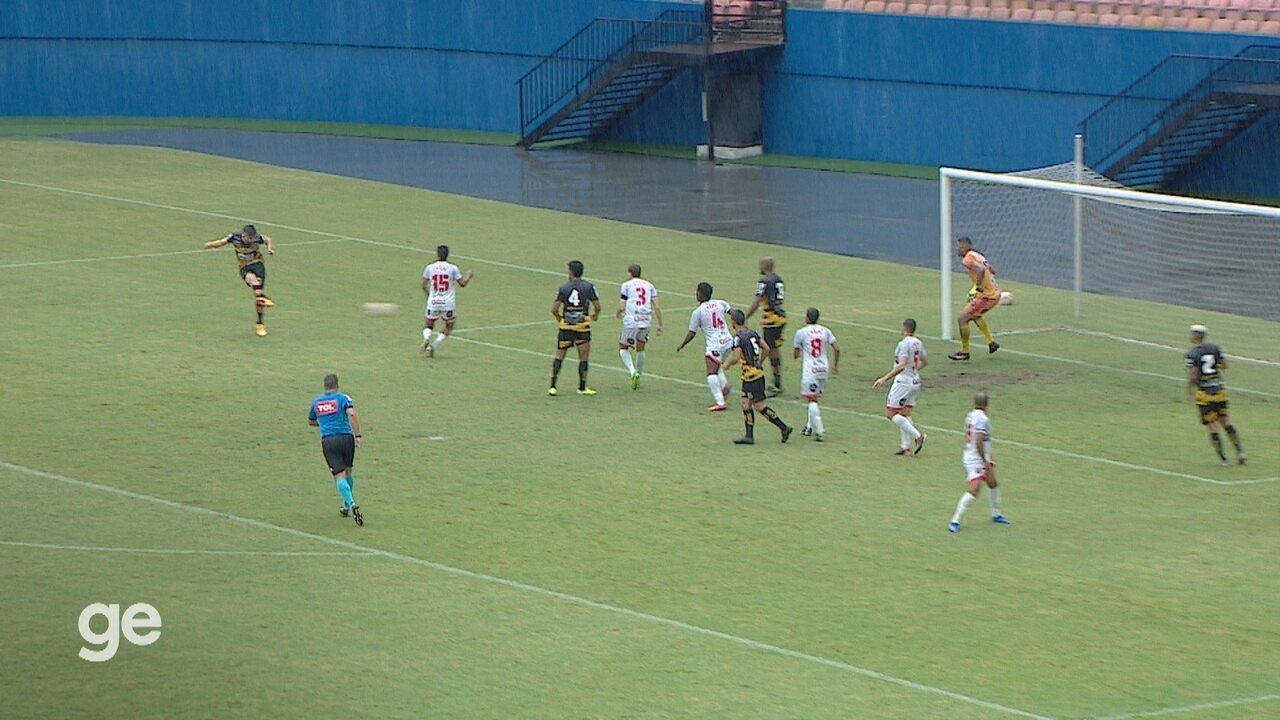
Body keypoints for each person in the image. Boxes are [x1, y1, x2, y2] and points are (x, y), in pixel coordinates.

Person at [724, 310, 793, 444]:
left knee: (759, 406)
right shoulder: (753, 333)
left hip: (751, 377)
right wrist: (759, 362)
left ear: (733, 322)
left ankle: (783, 427)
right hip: (753, 375)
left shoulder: (738, 338)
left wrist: (727, 364)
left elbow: (736, 357)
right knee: (745, 403)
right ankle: (749, 435)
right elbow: (766, 348)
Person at [948, 392, 1012, 533]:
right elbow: (978, 440)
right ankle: (955, 521)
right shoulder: (982, 419)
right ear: (987, 405)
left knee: (993, 483)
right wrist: (984, 461)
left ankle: (996, 514)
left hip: (975, 455)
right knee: (974, 490)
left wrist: (989, 457)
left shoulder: (970, 415)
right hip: (975, 459)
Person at [307, 374, 364, 526]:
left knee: (339, 476)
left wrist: (325, 424)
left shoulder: (317, 402)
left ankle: (352, 504)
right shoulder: (343, 398)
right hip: (346, 438)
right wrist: (358, 435)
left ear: (324, 386)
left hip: (329, 440)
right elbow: (351, 413)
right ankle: (346, 506)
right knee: (348, 472)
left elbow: (311, 421)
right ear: (337, 385)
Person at [1185, 324, 1246, 467]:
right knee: (1226, 422)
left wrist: (1189, 390)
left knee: (1212, 426)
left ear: (1195, 336)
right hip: (1219, 390)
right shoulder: (1215, 348)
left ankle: (1224, 460)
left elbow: (1193, 376)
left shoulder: (1192, 353)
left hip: (1204, 394)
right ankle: (1240, 452)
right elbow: (1224, 366)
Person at [204, 224, 275, 336]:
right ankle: (263, 298)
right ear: (244, 235)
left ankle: (260, 323)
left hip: (257, 265)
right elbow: (222, 242)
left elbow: (267, 239)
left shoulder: (257, 238)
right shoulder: (234, 237)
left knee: (257, 294)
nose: (251, 240)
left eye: (252, 238)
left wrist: (269, 248)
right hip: (244, 267)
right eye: (249, 238)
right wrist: (211, 245)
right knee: (253, 282)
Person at [873, 318, 928, 455]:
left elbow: (902, 365)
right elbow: (925, 361)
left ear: (904, 328)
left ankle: (918, 436)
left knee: (891, 413)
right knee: (904, 413)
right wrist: (913, 371)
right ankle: (905, 446)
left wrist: (884, 379)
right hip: (915, 381)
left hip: (903, 382)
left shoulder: (904, 344)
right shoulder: (918, 343)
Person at [676, 282, 734, 411]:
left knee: (711, 372)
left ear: (701, 294)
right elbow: (733, 313)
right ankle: (724, 385)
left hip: (715, 345)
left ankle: (720, 402)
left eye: (697, 292)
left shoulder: (698, 312)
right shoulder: (721, 303)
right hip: (728, 342)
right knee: (717, 365)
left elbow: (692, 333)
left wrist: (682, 344)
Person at [549, 260, 600, 396]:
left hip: (566, 327)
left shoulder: (563, 288)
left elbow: (554, 309)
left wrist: (560, 319)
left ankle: (553, 386)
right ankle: (582, 387)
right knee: (583, 357)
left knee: (560, 355)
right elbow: (597, 306)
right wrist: (595, 316)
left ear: (571, 272)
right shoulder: (589, 287)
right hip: (582, 327)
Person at [948, 237, 1001, 361]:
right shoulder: (979, 256)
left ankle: (964, 352)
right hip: (992, 293)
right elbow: (992, 270)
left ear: (966, 246)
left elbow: (981, 269)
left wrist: (977, 287)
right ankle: (992, 342)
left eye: (959, 247)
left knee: (962, 318)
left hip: (987, 296)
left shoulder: (968, 259)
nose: (957, 249)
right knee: (974, 315)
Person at [791, 307, 839, 441]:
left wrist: (798, 352)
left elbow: (795, 354)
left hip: (811, 370)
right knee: (814, 398)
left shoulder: (801, 333)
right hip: (824, 369)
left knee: (812, 400)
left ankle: (820, 431)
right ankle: (808, 427)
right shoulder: (825, 330)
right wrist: (835, 366)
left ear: (807, 318)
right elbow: (837, 349)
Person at [420, 244, 474, 357]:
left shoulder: (430, 267)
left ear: (437, 254)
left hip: (433, 302)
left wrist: (428, 296)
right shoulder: (453, 268)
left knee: (429, 325)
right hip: (447, 304)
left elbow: (424, 285)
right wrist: (468, 276)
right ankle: (433, 346)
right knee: (449, 327)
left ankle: (426, 338)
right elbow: (462, 284)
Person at [745, 257, 787, 395]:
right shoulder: (779, 279)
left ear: (764, 266)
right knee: (774, 348)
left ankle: (775, 383)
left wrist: (746, 316)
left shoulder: (764, 281)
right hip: (781, 317)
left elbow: (757, 301)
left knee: (769, 349)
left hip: (771, 320)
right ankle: (777, 380)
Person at [616, 264, 663, 389]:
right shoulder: (649, 286)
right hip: (646, 320)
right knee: (641, 348)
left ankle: (633, 372)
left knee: (623, 347)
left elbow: (621, 306)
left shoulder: (626, 285)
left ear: (630, 273)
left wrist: (618, 313)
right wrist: (660, 325)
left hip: (632, 321)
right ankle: (639, 375)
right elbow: (657, 306)